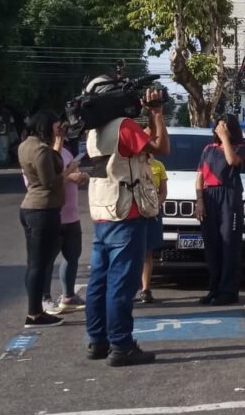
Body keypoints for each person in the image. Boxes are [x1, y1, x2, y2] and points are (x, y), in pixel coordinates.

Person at [85, 88, 168, 366]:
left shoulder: (94, 131)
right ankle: (121, 345)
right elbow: (161, 148)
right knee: (121, 284)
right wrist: (156, 112)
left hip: (103, 211)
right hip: (127, 213)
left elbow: (133, 151)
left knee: (99, 280)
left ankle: (98, 341)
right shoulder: (124, 126)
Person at [18, 111, 73, 328]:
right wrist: (70, 172)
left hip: (31, 208)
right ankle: (34, 314)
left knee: (34, 263)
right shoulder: (40, 149)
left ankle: (35, 311)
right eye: (54, 126)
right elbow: (50, 181)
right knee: (39, 264)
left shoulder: (25, 145)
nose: (57, 129)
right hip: (42, 209)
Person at [195, 114, 245, 306]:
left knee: (229, 244)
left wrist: (226, 138)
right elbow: (200, 175)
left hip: (229, 196)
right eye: (218, 125)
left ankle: (228, 291)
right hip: (210, 196)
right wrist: (199, 200)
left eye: (224, 125)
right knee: (212, 245)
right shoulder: (208, 149)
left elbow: (231, 161)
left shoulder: (240, 148)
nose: (220, 128)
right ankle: (214, 288)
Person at [45, 135, 89, 312]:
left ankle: (69, 295)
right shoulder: (44, 154)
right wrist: (71, 174)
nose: (61, 135)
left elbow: (71, 173)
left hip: (72, 215)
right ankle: (45, 298)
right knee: (47, 260)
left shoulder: (66, 153)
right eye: (57, 130)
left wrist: (81, 176)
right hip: (53, 215)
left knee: (72, 256)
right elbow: (49, 182)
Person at [137, 154, 168, 304]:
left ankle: (145, 289)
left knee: (147, 251)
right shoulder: (133, 164)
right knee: (132, 251)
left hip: (152, 213)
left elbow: (163, 192)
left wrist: (154, 205)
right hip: (135, 213)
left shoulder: (159, 166)